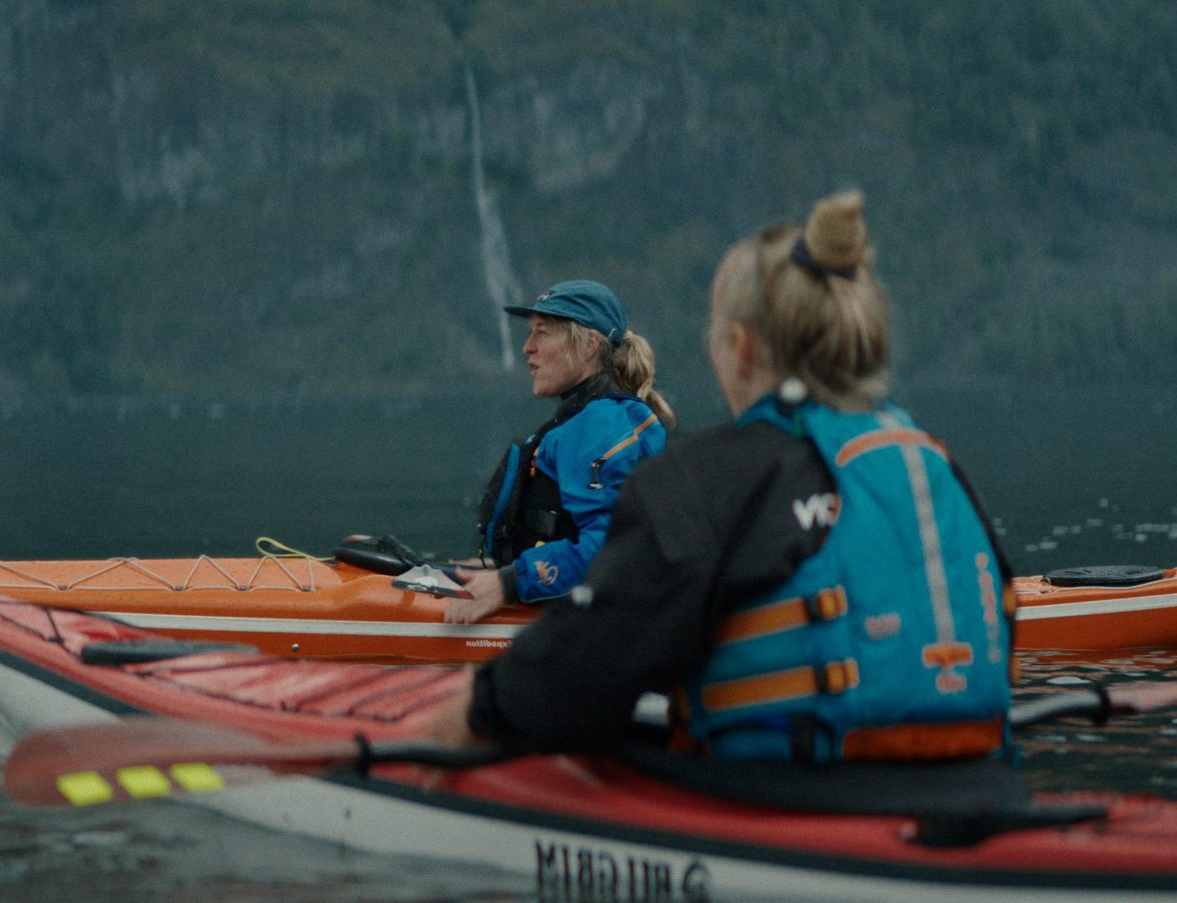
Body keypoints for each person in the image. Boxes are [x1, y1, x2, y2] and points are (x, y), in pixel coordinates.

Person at [426, 192, 1015, 764]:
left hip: (789, 802)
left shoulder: (702, 483)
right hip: (976, 777)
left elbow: (583, 668)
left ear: (737, 346)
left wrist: (465, 719)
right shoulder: (930, 459)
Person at [448, 279, 675, 624]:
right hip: (561, 596)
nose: (527, 347)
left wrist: (509, 584)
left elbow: (612, 550)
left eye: (543, 332)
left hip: (585, 622)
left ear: (587, 345)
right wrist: (498, 570)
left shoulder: (599, 424)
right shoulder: (594, 417)